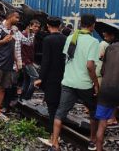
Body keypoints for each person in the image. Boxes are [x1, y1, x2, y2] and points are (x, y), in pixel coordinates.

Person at [49, 14, 99, 151]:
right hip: (84, 84)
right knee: (94, 112)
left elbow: (67, 58)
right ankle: (92, 141)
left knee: (60, 113)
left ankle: (55, 144)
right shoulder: (93, 42)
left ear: (81, 23)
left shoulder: (71, 38)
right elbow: (90, 66)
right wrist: (96, 83)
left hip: (68, 82)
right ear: (92, 25)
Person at [34, 17, 66, 147]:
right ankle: (57, 136)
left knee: (52, 108)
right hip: (63, 77)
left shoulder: (47, 39)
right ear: (60, 26)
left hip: (51, 78)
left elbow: (45, 61)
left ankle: (53, 138)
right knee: (59, 106)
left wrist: (40, 78)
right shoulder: (65, 39)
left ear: (47, 26)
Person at [0, 10, 21, 123]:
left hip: (8, 63)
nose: (18, 20)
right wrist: (3, 41)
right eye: (17, 17)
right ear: (10, 16)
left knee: (2, 88)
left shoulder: (14, 30)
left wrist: (17, 60)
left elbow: (13, 46)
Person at [95, 28, 119, 151]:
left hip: (106, 89)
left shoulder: (109, 48)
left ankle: (99, 148)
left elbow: (102, 71)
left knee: (102, 124)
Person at [21, 20, 41, 100]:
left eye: (38, 27)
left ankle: (22, 97)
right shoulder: (24, 35)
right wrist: (24, 61)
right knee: (36, 77)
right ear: (30, 26)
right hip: (26, 61)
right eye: (35, 26)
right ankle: (27, 97)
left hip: (29, 61)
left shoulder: (32, 35)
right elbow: (20, 49)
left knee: (27, 79)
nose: (37, 28)